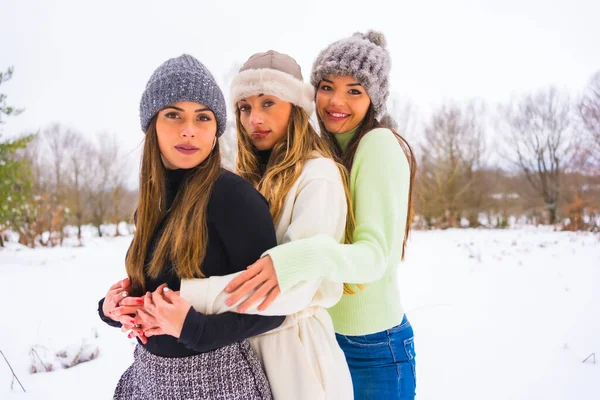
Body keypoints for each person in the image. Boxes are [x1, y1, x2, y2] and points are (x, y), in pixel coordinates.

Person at [223, 31, 418, 399]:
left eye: (354, 91)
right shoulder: (323, 147)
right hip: (324, 334)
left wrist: (300, 256)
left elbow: (375, 257)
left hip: (373, 346)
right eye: (327, 87)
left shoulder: (378, 145)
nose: (336, 101)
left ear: (374, 98)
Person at [152, 50, 355, 399]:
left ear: (296, 109)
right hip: (244, 350)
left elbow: (294, 287)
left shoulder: (317, 176)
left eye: (268, 103)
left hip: (296, 355)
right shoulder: (247, 178)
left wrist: (185, 294)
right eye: (244, 107)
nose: (253, 119)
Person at [97, 54, 284, 400]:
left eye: (203, 117)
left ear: (216, 130)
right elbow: (159, 287)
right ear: (151, 123)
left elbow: (275, 309)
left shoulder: (234, 198)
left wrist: (197, 329)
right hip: (148, 379)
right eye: (173, 115)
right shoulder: (151, 205)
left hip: (220, 382)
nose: (189, 130)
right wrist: (115, 307)